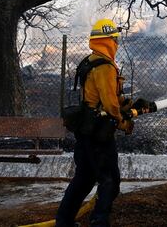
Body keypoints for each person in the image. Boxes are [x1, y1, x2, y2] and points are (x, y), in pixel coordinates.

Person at [55, 19, 154, 227]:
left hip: (85, 130)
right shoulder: (106, 67)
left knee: (83, 179)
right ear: (108, 40)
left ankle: (63, 222)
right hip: (99, 135)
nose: (117, 43)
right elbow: (110, 105)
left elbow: (103, 98)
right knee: (110, 181)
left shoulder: (91, 60)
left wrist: (131, 105)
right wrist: (124, 122)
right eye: (115, 39)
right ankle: (99, 222)